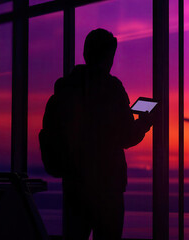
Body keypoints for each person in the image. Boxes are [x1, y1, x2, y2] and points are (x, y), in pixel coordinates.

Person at [42, 28, 152, 240]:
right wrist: (145, 122)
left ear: (86, 53)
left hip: (74, 184)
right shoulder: (111, 88)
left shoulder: (66, 88)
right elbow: (127, 136)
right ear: (108, 57)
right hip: (107, 186)